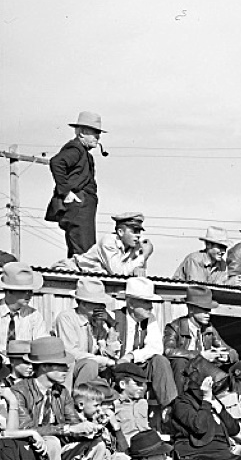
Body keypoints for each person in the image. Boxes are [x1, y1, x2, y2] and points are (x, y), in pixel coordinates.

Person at [9, 337, 106, 460]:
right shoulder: (19, 391)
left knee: (98, 445)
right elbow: (25, 429)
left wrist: (90, 431)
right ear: (44, 366)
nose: (66, 369)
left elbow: (74, 425)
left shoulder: (61, 392)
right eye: (61, 365)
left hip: (57, 454)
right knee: (52, 442)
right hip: (28, 454)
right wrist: (67, 429)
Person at [169, 360, 241, 460]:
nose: (214, 388)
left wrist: (218, 407)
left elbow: (234, 429)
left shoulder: (213, 401)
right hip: (198, 454)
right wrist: (206, 401)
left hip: (223, 453)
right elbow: (199, 427)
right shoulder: (181, 403)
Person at [107, 277, 178, 409]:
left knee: (160, 360)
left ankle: (170, 408)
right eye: (146, 302)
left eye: (150, 302)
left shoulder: (150, 319)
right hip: (118, 369)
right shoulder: (113, 317)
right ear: (131, 304)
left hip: (140, 367)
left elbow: (155, 347)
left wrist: (132, 356)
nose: (151, 306)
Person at [45, 110, 103, 256]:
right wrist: (66, 193)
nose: (98, 137)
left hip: (82, 206)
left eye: (98, 133)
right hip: (79, 206)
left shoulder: (83, 152)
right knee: (85, 252)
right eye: (94, 132)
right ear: (82, 132)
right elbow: (56, 162)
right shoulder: (76, 148)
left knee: (82, 251)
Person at [163, 285, 238, 392]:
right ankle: (179, 403)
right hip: (184, 374)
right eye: (204, 309)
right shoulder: (174, 327)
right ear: (191, 309)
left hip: (204, 373)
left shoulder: (209, 329)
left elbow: (233, 352)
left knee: (237, 368)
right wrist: (201, 355)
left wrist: (225, 357)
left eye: (209, 310)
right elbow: (168, 351)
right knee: (179, 362)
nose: (209, 313)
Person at [52, 278, 118, 384]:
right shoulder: (66, 318)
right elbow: (71, 352)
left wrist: (112, 324)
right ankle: (79, 398)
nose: (102, 307)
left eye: (102, 304)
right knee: (90, 365)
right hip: (67, 367)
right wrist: (104, 361)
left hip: (91, 368)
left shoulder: (98, 322)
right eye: (97, 303)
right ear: (83, 304)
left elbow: (110, 353)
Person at [56, 212, 153, 276]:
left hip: (93, 278)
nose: (138, 235)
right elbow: (117, 273)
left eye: (139, 232)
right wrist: (144, 255)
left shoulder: (136, 247)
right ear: (120, 232)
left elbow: (138, 273)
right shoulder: (108, 242)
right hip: (71, 271)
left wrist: (141, 257)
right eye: (134, 231)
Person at [0, 262, 49, 345]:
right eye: (23, 291)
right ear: (9, 291)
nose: (30, 294)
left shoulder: (34, 316)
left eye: (30, 291)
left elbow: (41, 345)